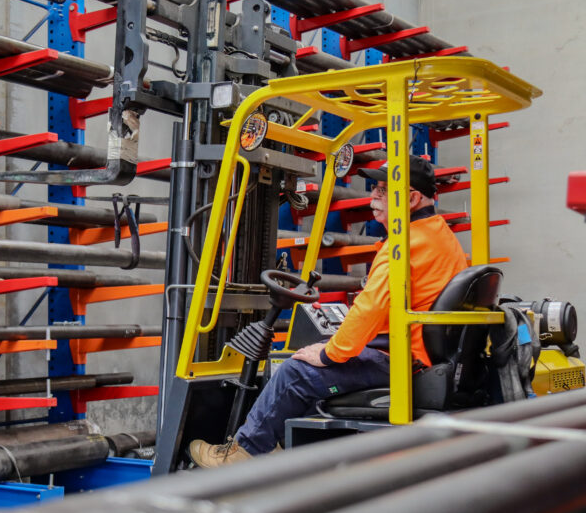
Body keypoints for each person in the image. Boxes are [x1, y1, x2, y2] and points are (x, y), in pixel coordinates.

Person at [189, 154, 469, 467]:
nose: (373, 196)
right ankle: (275, 446)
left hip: (402, 359)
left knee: (294, 371)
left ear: (413, 198)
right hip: (418, 354)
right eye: (373, 188)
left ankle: (244, 453)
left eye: (383, 190)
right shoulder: (440, 235)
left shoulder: (404, 246)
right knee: (312, 366)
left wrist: (328, 354)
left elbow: (370, 309)